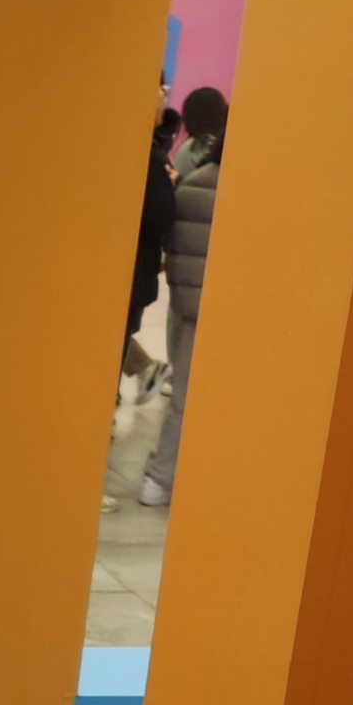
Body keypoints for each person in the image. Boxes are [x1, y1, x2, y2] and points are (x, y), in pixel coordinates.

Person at [141, 84, 228, 507]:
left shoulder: (190, 183)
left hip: (187, 309)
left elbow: (172, 243)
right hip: (228, 312)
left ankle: (158, 478)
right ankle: (182, 477)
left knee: (183, 397)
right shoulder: (247, 193)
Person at [119, 83, 177, 421]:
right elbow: (160, 215)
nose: (163, 103)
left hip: (126, 268)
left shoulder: (135, 150)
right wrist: (170, 187)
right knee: (116, 338)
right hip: (134, 269)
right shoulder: (150, 158)